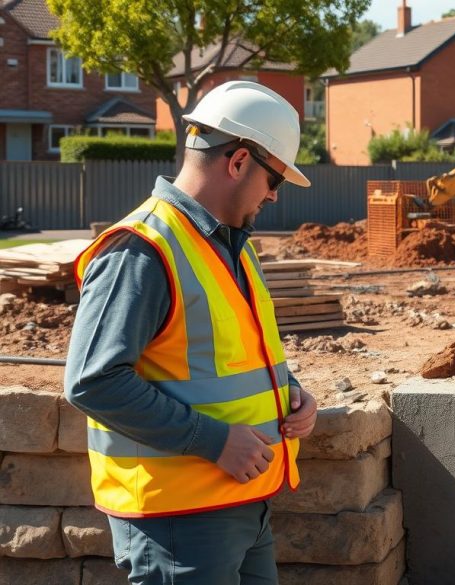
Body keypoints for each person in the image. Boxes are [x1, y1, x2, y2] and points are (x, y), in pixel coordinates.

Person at [64, 80, 317, 584]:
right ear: (239, 160)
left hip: (241, 505)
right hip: (178, 521)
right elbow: (93, 381)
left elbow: (221, 357)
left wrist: (288, 394)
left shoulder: (234, 246)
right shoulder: (141, 250)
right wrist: (214, 440)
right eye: (275, 179)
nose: (273, 194)